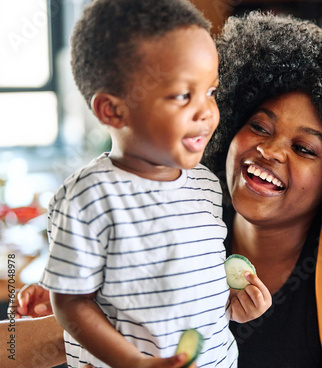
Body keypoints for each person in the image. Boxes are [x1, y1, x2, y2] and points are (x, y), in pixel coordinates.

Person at [3, 11, 322, 368]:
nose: (270, 150)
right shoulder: (162, 222)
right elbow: (23, 347)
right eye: (258, 126)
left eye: (304, 148)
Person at [35, 1, 271, 368]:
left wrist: (229, 308)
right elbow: (70, 303)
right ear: (112, 110)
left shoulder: (207, 187)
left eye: (210, 92)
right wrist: (132, 361)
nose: (206, 112)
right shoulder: (88, 198)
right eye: (182, 95)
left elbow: (185, 289)